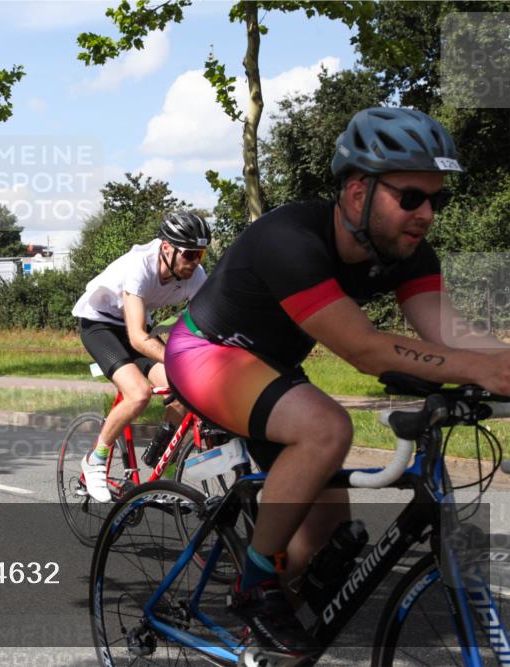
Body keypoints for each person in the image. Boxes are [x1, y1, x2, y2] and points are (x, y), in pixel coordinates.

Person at [164, 107, 510, 657]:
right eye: (412, 197)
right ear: (356, 191)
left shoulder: (409, 252)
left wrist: (502, 362)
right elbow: (364, 349)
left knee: (325, 546)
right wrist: (484, 371)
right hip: (206, 352)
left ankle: (272, 613)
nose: (427, 214)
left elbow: (452, 334)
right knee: (327, 427)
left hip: (274, 366)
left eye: (437, 200)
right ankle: (253, 589)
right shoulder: (289, 239)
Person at [72, 210, 211, 502]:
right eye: (189, 254)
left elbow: (207, 325)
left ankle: (161, 469)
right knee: (138, 394)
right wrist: (180, 359)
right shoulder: (140, 266)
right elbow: (137, 337)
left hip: (137, 325)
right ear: (166, 248)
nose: (195, 261)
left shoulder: (195, 275)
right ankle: (95, 459)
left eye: (201, 254)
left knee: (185, 388)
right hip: (100, 324)